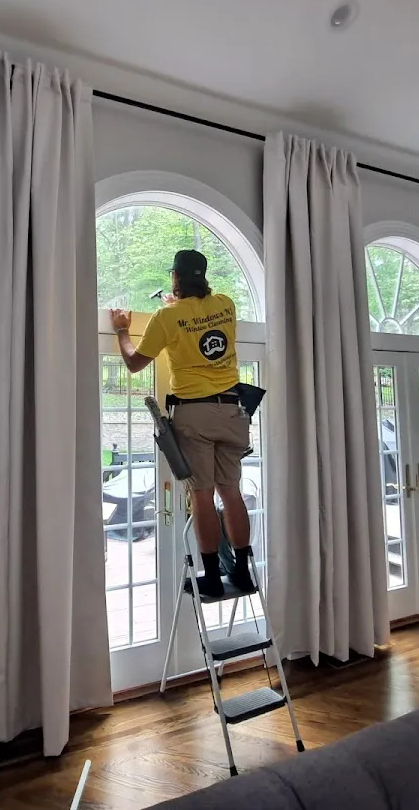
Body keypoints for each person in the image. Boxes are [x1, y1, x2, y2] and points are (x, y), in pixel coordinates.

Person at [109, 249, 253, 598]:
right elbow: (201, 319)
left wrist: (123, 331)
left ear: (175, 277)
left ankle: (213, 577)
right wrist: (182, 307)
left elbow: (134, 363)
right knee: (231, 492)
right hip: (233, 411)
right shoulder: (226, 304)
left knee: (201, 494)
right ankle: (243, 572)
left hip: (196, 412)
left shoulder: (167, 316)